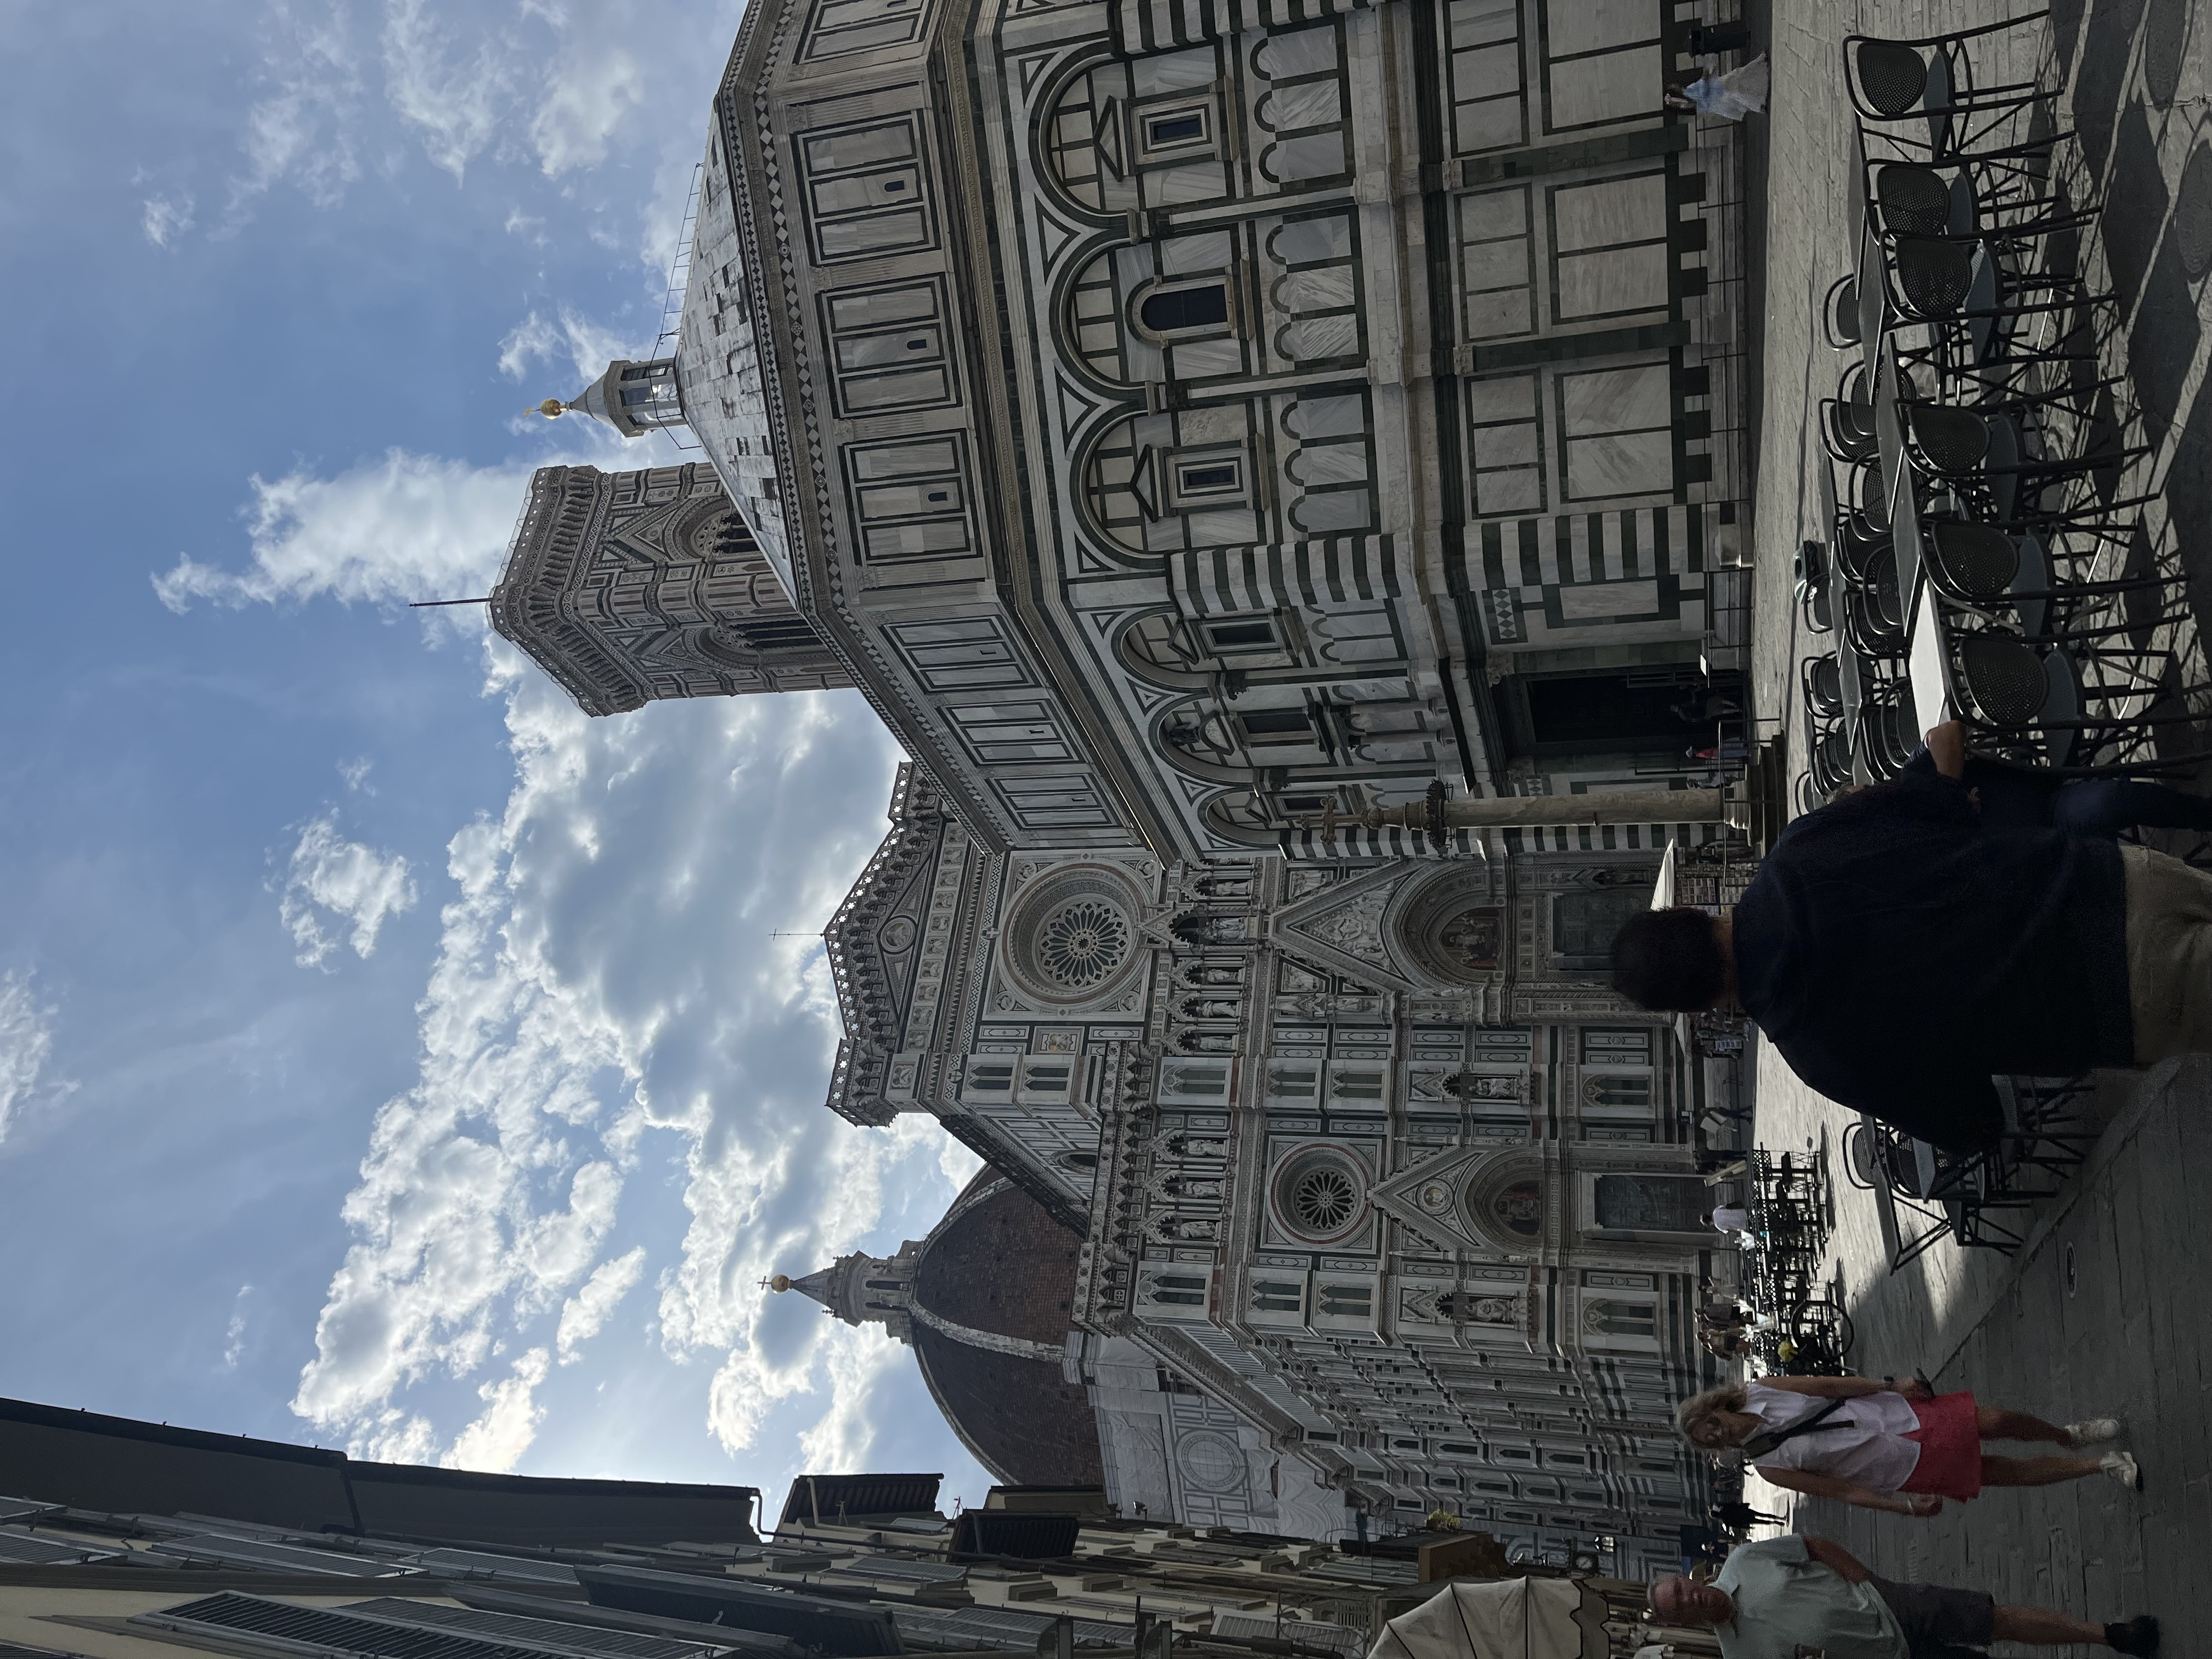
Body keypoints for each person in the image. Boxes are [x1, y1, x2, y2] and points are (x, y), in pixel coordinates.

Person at [1610, 720, 2212, 1152]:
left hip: (2125, 1003)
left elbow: (1975, 1126)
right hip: (2112, 880)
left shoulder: (1817, 1055)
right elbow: (1936, 798)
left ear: (1702, 1008)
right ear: (1688, 911)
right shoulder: (1798, 851)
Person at [1675, 1375, 2138, 1514]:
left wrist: (1891, 1384)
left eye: (1714, 1425)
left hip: (1897, 1414)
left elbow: (1826, 1386)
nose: (1723, 1435)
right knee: (2000, 1473)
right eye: (1713, 1442)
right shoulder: (1768, 1466)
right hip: (1895, 1466)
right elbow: (1841, 1492)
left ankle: (2068, 1436)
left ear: (1716, 1408)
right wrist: (1905, 1508)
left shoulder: (1761, 1390)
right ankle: (2102, 1464)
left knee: (1995, 1421)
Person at [1651, 1534, 2159, 1658]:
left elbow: (1813, 1546)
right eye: (1682, 1607)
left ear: (1690, 1580)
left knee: (1994, 1620)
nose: (1691, 1600)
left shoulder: (1744, 1560)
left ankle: (2112, 1635)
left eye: (1684, 1590)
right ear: (1688, 1622)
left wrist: (1867, 1580)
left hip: (1889, 1605)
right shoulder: (1737, 1655)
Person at [1665, 55, 1770, 120]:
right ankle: (1757, 104)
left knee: (1737, 79)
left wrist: (1707, 77)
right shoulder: (1686, 100)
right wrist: (1705, 78)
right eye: (1674, 87)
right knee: (1737, 91)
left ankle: (1759, 61)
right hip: (1717, 94)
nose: (1676, 85)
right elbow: (1701, 94)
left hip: (1716, 90)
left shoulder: (1687, 91)